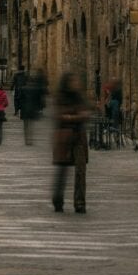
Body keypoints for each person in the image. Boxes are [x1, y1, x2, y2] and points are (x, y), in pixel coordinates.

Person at [52, 71, 90, 214]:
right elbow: (60, 116)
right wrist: (76, 116)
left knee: (81, 171)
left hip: (79, 138)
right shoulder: (61, 97)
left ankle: (80, 202)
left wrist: (71, 116)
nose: (76, 83)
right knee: (62, 171)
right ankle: (58, 200)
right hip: (64, 138)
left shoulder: (80, 98)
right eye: (73, 81)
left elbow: (85, 114)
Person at [19, 74, 42, 146]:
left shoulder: (23, 88)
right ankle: (30, 140)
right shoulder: (36, 89)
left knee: (25, 125)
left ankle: (26, 140)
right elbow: (38, 100)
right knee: (31, 125)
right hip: (33, 108)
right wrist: (39, 108)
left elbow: (20, 99)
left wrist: (19, 108)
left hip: (24, 108)